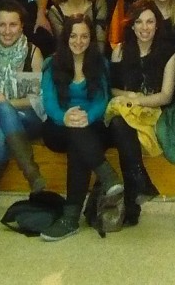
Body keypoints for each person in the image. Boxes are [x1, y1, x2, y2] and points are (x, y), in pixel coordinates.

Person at [39, 16, 124, 241]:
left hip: (91, 126)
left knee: (79, 142)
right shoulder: (52, 64)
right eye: (74, 36)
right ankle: (108, 176)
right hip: (58, 126)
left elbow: (102, 100)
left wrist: (88, 116)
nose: (79, 41)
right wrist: (64, 117)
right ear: (65, 38)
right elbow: (49, 101)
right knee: (77, 134)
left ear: (91, 39)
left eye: (84, 36)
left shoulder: (100, 63)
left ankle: (70, 219)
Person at [0, 0, 46, 221]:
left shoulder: (33, 53)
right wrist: (0, 104)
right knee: (1, 120)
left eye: (13, 24)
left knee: (1, 131)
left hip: (27, 116)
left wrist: (7, 103)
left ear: (22, 26)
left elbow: (38, 99)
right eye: (2, 25)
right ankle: (31, 172)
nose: (7, 31)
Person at [109, 0, 175, 227]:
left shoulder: (168, 52)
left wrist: (137, 100)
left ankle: (133, 201)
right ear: (132, 25)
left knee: (122, 127)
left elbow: (166, 96)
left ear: (157, 25)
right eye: (139, 22)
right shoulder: (119, 50)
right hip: (127, 114)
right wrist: (129, 98)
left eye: (150, 22)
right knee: (120, 124)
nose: (144, 27)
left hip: (154, 114)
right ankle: (139, 181)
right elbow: (113, 90)